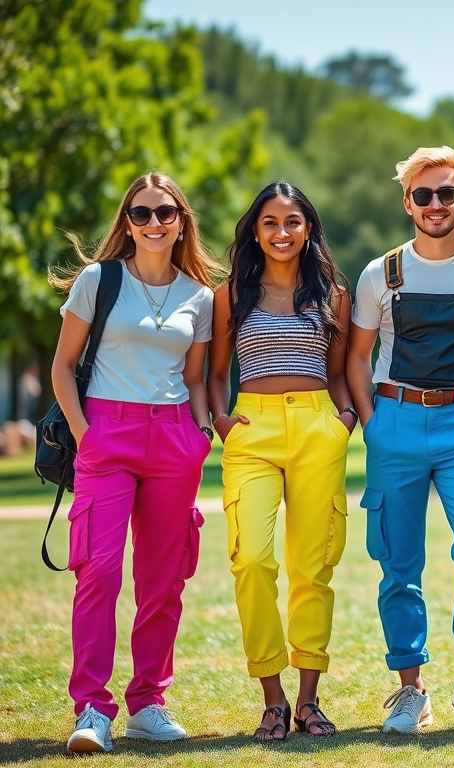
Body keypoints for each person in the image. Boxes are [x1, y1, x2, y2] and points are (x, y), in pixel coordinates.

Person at [347, 146, 454, 734]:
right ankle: (409, 689)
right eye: (424, 195)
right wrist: (373, 423)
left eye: (447, 192)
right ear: (408, 204)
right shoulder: (382, 273)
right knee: (398, 562)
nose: (436, 204)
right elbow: (356, 357)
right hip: (394, 423)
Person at [50, 171, 218, 753]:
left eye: (165, 212)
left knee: (164, 580)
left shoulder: (201, 295)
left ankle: (148, 701)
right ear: (127, 221)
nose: (153, 222)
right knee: (98, 572)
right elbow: (62, 366)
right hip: (106, 434)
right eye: (141, 213)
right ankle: (92, 708)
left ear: (181, 221)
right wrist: (83, 433)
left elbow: (195, 378)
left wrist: (199, 433)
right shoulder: (100, 281)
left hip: (175, 439)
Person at [206, 182, 354, 741]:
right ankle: (272, 695)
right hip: (253, 429)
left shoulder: (333, 295)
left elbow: (338, 371)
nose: (282, 232)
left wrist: (344, 421)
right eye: (270, 222)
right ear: (256, 231)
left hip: (319, 426)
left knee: (313, 568)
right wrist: (221, 421)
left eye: (292, 221)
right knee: (252, 562)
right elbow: (216, 373)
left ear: (308, 228)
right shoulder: (231, 295)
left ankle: (309, 701)